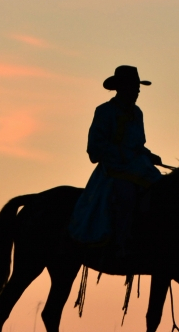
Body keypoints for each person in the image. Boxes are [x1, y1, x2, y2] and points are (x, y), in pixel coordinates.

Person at [69, 65, 162, 251]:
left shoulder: (137, 113)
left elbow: (138, 144)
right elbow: (95, 147)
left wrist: (148, 155)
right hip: (113, 170)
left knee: (160, 189)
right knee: (126, 195)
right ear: (121, 88)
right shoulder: (104, 111)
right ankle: (119, 241)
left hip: (137, 166)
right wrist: (122, 154)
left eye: (138, 89)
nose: (136, 92)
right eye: (133, 88)